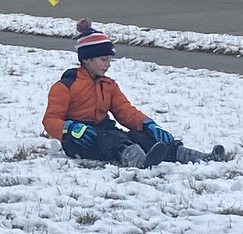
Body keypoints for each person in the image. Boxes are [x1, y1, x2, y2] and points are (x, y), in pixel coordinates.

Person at [42, 19, 225, 169]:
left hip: (104, 129)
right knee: (114, 140)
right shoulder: (66, 86)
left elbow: (125, 111)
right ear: (87, 59)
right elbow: (50, 120)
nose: (108, 64)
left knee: (140, 137)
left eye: (109, 60)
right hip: (79, 141)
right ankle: (138, 161)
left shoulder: (109, 85)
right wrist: (70, 129)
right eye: (103, 59)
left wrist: (148, 125)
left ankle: (195, 157)